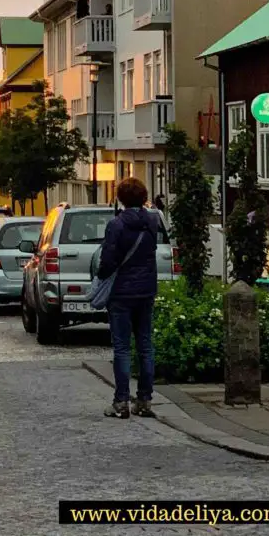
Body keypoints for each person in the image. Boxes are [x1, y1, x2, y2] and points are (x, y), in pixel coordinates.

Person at [97, 177, 159, 419]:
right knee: (145, 345)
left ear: (120, 198)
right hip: (146, 290)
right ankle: (144, 401)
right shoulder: (152, 221)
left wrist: (102, 276)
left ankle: (121, 402)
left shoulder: (117, 225)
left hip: (121, 292)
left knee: (122, 347)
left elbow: (108, 259)